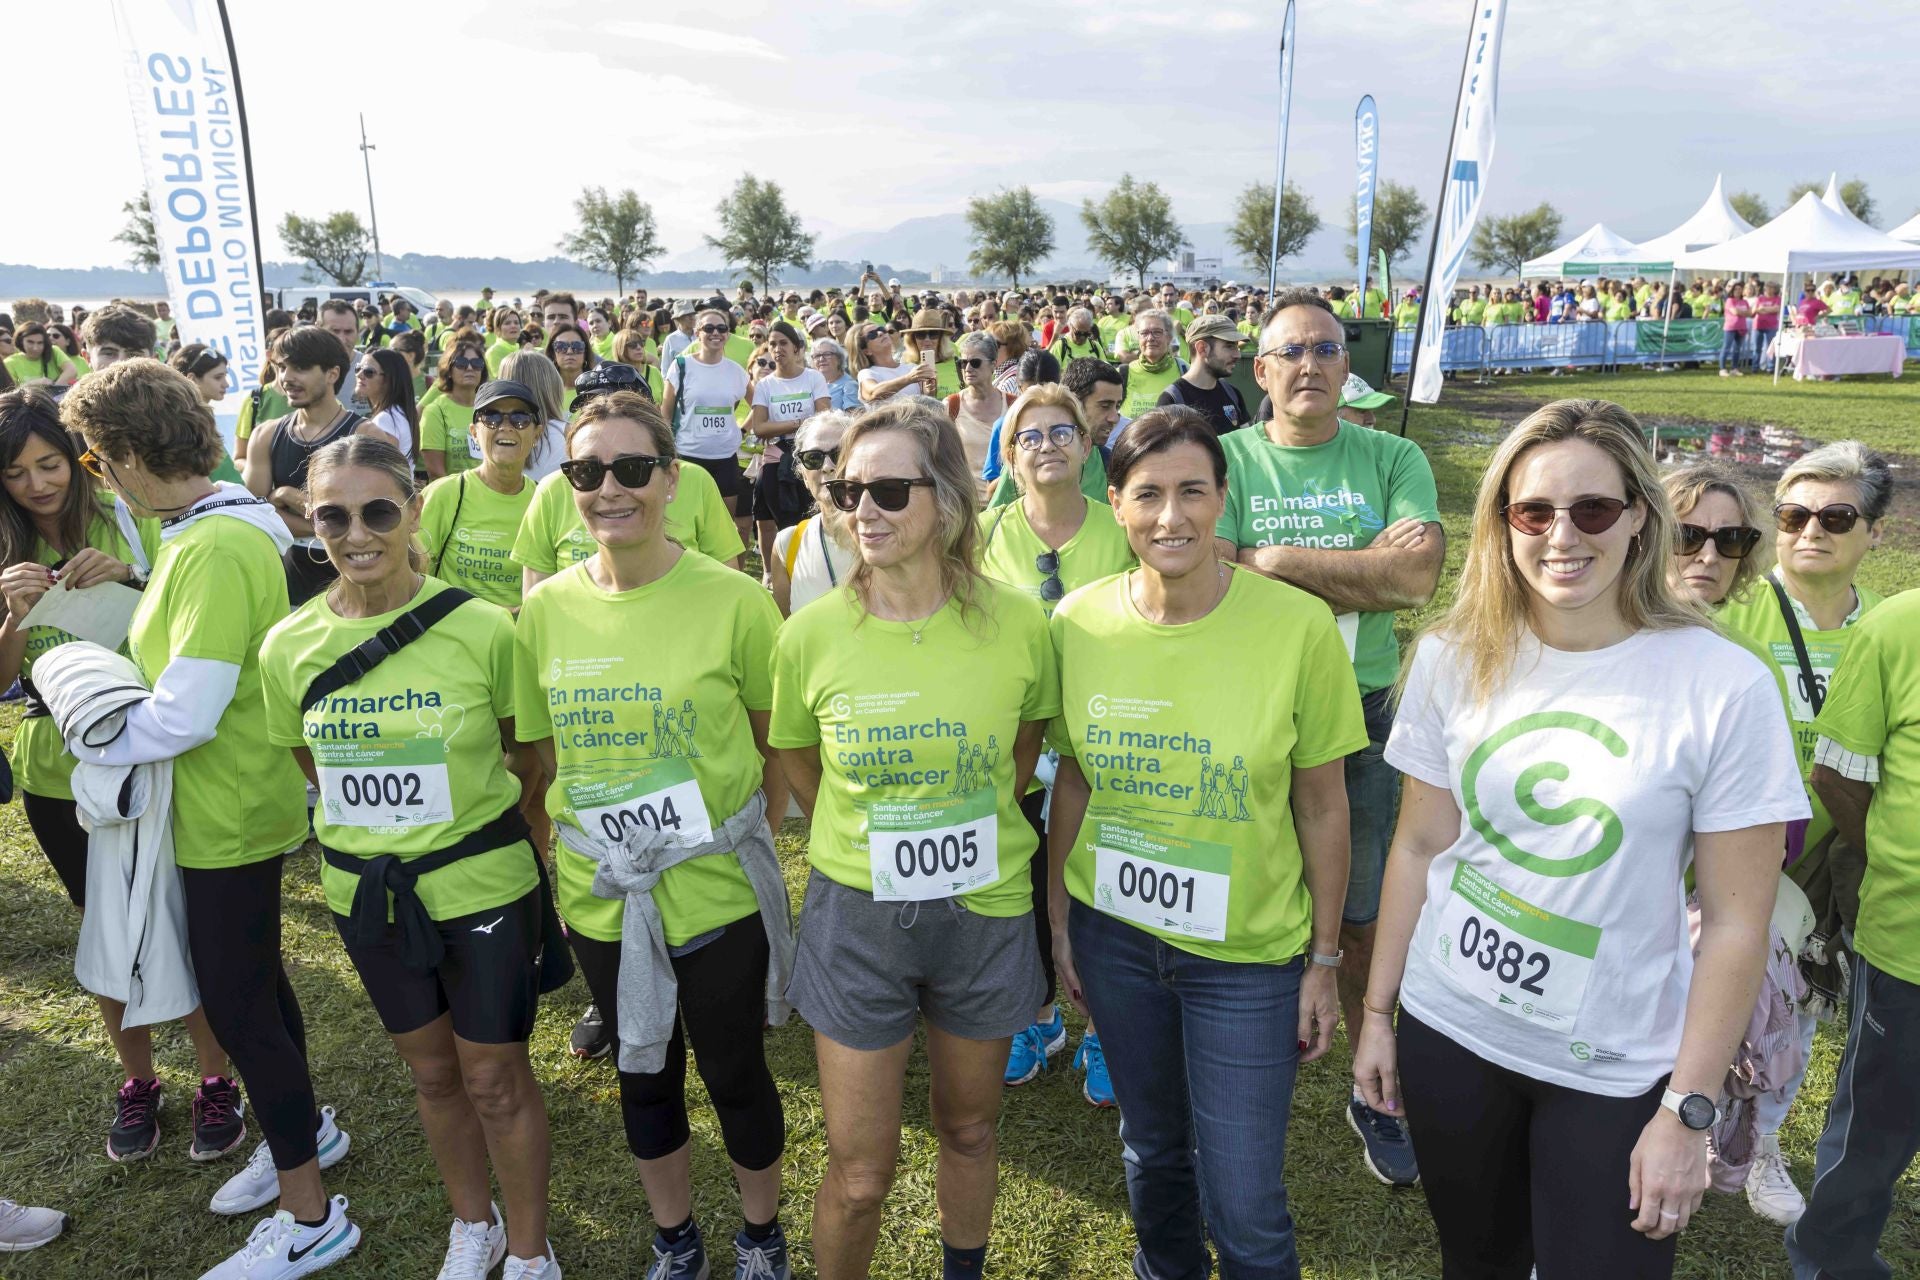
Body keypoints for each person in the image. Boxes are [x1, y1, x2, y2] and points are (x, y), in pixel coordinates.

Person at [1351, 398, 1806, 1279]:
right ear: (1502, 523)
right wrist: (1379, 1015)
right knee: (1475, 1264)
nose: (1563, 535)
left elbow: (1738, 924)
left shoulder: (1722, 686)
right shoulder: (1456, 652)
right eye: (1534, 511)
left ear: (1640, 517)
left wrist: (1687, 1111)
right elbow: (1418, 848)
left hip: (1617, 1064)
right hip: (1452, 1031)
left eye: (1593, 509)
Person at [59, 359, 360, 1280]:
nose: (100, 482)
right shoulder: (210, 526)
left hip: (223, 807)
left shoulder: (217, 544)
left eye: (98, 463)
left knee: (238, 1003)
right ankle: (304, 1130)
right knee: (256, 988)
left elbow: (184, 713)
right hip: (226, 801)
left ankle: (311, 1217)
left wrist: (88, 736)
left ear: (127, 455)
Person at [1048, 406, 1362, 1276]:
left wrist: (1325, 960)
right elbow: (1072, 776)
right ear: (1114, 503)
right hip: (1114, 937)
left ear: (1224, 498)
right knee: (1150, 1153)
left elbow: (1324, 806)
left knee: (1245, 1203)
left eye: (1193, 491)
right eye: (1147, 494)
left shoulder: (1297, 627)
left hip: (1246, 959)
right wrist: (1061, 923)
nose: (1171, 517)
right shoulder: (1075, 624)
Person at [769, 399, 1059, 1280]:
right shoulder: (809, 634)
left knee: (969, 1128)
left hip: (985, 911)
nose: (864, 509)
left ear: (948, 502)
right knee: (861, 1174)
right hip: (856, 917)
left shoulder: (1020, 624)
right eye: (848, 488)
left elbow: (1024, 749)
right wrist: (866, 834)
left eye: (891, 490)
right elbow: (794, 758)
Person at [259, 436, 560, 1279]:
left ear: (414, 510)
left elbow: (529, 761)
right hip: (370, 898)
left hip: (484, 885)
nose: (358, 533)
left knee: (496, 1078)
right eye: (333, 515)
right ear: (312, 522)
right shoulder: (287, 647)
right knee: (433, 1076)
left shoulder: (480, 628)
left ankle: (531, 1252)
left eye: (378, 511)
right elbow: (311, 766)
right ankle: (476, 1226)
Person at [517, 391, 795, 1280]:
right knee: (644, 1072)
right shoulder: (547, 610)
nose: (610, 490)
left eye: (633, 470)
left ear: (672, 480)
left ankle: (761, 1234)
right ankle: (675, 1238)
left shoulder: (737, 602)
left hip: (712, 889)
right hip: (603, 897)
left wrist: (731, 831)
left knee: (735, 1070)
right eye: (587, 472)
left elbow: (772, 744)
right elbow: (545, 753)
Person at [1214, 288, 1443, 1186]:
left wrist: (1274, 563)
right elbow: (1215, 580)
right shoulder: (1224, 458)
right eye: (1290, 352)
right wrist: (1359, 571)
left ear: (1351, 368)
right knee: (1249, 904)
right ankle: (1241, 1066)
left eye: (1327, 349)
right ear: (1259, 372)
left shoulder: (1392, 454)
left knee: (1366, 911)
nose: (1310, 365)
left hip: (1366, 715)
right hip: (1248, 710)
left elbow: (1416, 574)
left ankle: (1372, 1080)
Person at [0, 387, 247, 1163]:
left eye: (50, 464)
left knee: (179, 922)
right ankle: (137, 1081)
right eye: (16, 472)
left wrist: (133, 584)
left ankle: (216, 1081)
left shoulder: (137, 518)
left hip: (150, 757)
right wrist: (9, 618)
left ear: (82, 460)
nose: (39, 484)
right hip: (56, 770)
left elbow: (182, 627)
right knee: (105, 930)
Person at [1715, 442, 1893, 1228]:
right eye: (1792, 516)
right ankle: (1672, 1127)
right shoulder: (1732, 601)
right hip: (1721, 850)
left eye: (1835, 516)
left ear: (1874, 532)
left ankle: (1761, 1143)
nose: (1809, 531)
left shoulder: (1886, 630)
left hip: (1826, 855)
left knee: (1797, 1011)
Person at [976, 384, 1135, 1101]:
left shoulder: (1122, 528)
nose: (1047, 445)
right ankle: (1036, 1016)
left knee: (1103, 887)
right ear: (1008, 458)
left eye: (1061, 431)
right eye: (1029, 436)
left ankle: (1106, 1029)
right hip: (1013, 742)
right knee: (1022, 885)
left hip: (1110, 740)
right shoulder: (980, 536)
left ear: (1086, 444)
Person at [1784, 584, 1920, 1278]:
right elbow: (1836, 774)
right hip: (1909, 946)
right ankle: (1829, 1258)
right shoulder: (1899, 628)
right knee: (1877, 1127)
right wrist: (1893, 860)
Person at [244, 326, 387, 606]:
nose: (286, 377)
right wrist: (331, 522)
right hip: (287, 589)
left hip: (355, 590)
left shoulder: (367, 437)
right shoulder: (265, 435)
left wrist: (286, 495)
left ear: (332, 374)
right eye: (282, 367)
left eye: (300, 368)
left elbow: (378, 519)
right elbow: (256, 518)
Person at [419, 380, 546, 613]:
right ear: (474, 432)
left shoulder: (545, 500)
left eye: (520, 418)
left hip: (521, 639)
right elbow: (413, 576)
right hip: (456, 639)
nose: (505, 426)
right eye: (492, 417)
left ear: (536, 433)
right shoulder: (445, 494)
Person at [660, 309, 753, 551]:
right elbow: (666, 412)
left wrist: (742, 430)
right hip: (688, 456)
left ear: (728, 334)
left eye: (721, 328)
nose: (716, 333)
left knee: (724, 525)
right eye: (709, 328)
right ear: (697, 333)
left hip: (725, 458)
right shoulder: (681, 366)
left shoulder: (735, 371)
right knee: (685, 523)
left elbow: (759, 406)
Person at [746, 321, 832, 571]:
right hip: (777, 457)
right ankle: (775, 571)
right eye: (772, 344)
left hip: (810, 456)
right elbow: (759, 428)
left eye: (783, 343)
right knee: (780, 520)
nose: (777, 349)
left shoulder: (813, 378)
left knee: (813, 515)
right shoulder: (765, 385)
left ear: (797, 348)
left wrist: (783, 425)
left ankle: (815, 566)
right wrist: (799, 422)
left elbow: (824, 415)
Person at [767, 411, 856, 618]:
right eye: (813, 458)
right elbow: (785, 634)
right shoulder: (788, 544)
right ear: (804, 476)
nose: (827, 467)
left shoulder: (887, 538)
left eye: (839, 454)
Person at [1156, 316, 1251, 438]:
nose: (1238, 354)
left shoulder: (1233, 393)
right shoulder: (1171, 400)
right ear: (1202, 348)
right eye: (1229, 346)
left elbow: (1246, 444)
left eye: (1237, 347)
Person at [947, 332, 1011, 500]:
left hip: (1006, 502)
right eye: (963, 363)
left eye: (975, 363)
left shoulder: (1013, 404)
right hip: (967, 504)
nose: (967, 369)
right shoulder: (951, 406)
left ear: (993, 364)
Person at [422, 336, 488, 480]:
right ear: (449, 370)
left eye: (477, 363)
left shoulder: (490, 407)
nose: (470, 368)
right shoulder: (435, 411)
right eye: (461, 363)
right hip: (453, 496)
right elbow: (435, 471)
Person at [353, 348, 420, 468]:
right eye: (358, 368)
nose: (359, 375)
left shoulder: (386, 419)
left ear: (389, 379)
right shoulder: (397, 413)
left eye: (369, 372)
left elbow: (383, 470)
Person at [1116, 310, 1185, 421]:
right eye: (1144, 333)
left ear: (1169, 337)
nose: (1150, 338)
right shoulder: (1122, 373)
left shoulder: (1184, 369)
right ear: (1138, 337)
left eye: (1157, 332)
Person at [852, 321, 928, 405]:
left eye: (881, 329)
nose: (880, 333)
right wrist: (909, 379)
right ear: (867, 351)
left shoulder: (911, 368)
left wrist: (930, 391)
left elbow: (927, 402)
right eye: (872, 334)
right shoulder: (866, 373)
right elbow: (872, 393)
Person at [4, 323, 78, 388]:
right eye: (30, 342)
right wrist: (33, 384)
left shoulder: (53, 351)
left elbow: (71, 371)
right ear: (20, 340)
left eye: (40, 343)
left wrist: (54, 389)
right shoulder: (9, 363)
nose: (35, 348)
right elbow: (10, 392)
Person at [545, 322, 596, 414]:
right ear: (553, 353)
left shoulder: (597, 391)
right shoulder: (544, 393)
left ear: (585, 352)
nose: (569, 351)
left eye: (577, 346)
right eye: (561, 346)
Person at [170, 343, 231, 409]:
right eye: (218, 377)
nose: (226, 384)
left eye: (225, 376)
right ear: (192, 379)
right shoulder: (184, 417)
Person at [810, 337, 860, 412]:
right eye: (817, 356)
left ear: (839, 358)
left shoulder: (849, 385)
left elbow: (854, 417)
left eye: (827, 354)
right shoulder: (812, 384)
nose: (821, 359)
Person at [1719, 283, 1752, 378]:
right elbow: (1735, 312)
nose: (1738, 291)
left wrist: (1741, 312)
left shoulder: (1744, 302)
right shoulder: (1729, 301)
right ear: (1732, 290)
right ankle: (1722, 369)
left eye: (1740, 289)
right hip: (1730, 327)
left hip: (1742, 327)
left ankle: (1734, 368)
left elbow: (1750, 313)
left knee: (1737, 349)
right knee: (1726, 347)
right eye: (1736, 289)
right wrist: (1743, 313)